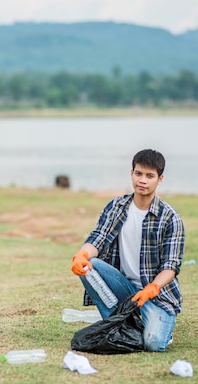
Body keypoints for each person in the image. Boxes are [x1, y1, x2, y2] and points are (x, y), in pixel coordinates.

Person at [71, 149, 185, 352]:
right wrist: (82, 255)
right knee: (91, 266)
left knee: (153, 344)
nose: (142, 180)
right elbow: (98, 238)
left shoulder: (170, 218)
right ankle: (119, 324)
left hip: (155, 295)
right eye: (138, 173)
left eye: (149, 176)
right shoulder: (117, 206)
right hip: (123, 287)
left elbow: (171, 266)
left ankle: (150, 328)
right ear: (131, 173)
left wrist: (153, 288)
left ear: (160, 179)